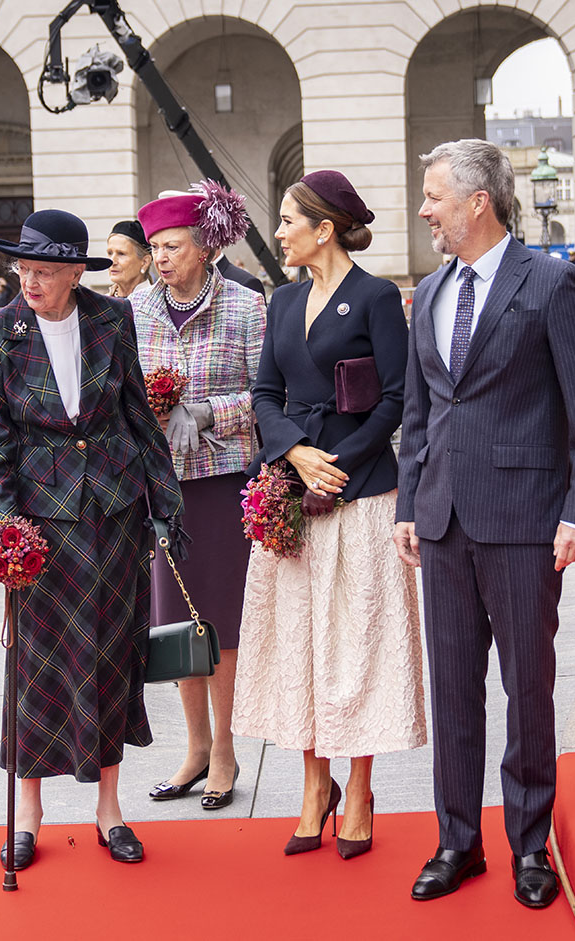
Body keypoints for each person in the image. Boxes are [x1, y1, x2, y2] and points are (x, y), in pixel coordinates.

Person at [392, 140, 575, 908]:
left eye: (435, 197)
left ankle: (529, 844)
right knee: (453, 691)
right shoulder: (429, 291)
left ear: (478, 200)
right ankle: (457, 841)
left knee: (527, 688)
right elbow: (421, 410)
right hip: (443, 521)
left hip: (524, 520)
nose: (425, 210)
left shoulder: (551, 282)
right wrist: (409, 504)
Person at [0, 208, 183, 869]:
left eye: (43, 271)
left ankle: (109, 809)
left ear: (73, 273)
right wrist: (8, 530)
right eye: (24, 268)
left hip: (115, 512)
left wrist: (165, 502)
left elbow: (136, 413)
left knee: (113, 657)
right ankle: (29, 812)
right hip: (39, 523)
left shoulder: (111, 318)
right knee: (35, 667)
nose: (29, 281)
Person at [232, 170, 427, 859]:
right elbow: (264, 392)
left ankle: (361, 789)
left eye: (288, 220)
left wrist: (334, 465)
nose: (278, 231)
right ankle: (316, 786)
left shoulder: (376, 296)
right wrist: (295, 452)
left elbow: (398, 397)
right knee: (300, 644)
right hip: (294, 489)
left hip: (362, 490)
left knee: (357, 644)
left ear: (324, 228)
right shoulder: (282, 300)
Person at [134, 182, 266, 811]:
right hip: (163, 485)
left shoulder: (245, 306)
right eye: (155, 247)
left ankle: (225, 752)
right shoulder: (136, 308)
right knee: (174, 621)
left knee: (223, 620)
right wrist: (149, 413)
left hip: (224, 482)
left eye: (173, 246)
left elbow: (269, 395)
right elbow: (120, 390)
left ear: (206, 246)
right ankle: (194, 746)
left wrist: (210, 412)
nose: (161, 258)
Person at [106, 220, 153, 300]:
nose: (112, 261)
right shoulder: (102, 303)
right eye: (110, 253)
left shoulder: (155, 302)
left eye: (121, 254)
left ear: (145, 262)